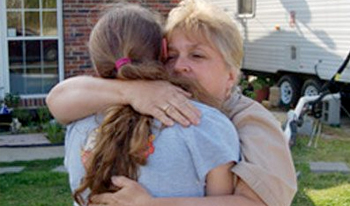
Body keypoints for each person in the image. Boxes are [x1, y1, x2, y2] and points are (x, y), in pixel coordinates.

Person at [47, 0, 297, 205]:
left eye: (197, 55)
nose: (179, 66)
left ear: (230, 76)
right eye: (171, 55)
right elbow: (57, 99)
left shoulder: (246, 118)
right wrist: (132, 92)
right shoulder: (145, 99)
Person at [65, 3, 240, 206]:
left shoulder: (76, 123)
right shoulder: (205, 124)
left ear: (97, 63)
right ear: (163, 52)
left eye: (197, 56)